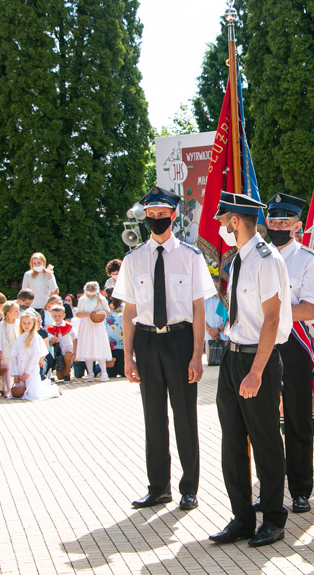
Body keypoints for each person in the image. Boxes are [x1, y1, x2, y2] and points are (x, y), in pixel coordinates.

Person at [113, 186, 213, 513]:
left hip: (180, 340)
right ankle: (158, 488)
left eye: (162, 214)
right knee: (153, 418)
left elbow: (199, 309)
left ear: (173, 214)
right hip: (146, 340)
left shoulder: (191, 256)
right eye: (151, 214)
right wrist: (127, 356)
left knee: (185, 417)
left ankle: (189, 488)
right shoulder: (133, 259)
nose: (156, 219)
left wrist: (198, 353)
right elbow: (129, 311)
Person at [208, 191, 292, 547]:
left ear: (235, 221)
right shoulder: (240, 258)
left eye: (223, 220)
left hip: (258, 359)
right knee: (232, 442)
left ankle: (273, 518)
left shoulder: (265, 258)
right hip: (232, 355)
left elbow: (272, 319)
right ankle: (242, 518)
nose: (220, 227)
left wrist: (256, 371)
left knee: (266, 441)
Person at [265, 192, 314, 514]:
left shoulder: (308, 259)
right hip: (259, 344)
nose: (276, 226)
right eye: (272, 220)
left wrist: (271, 313)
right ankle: (270, 488)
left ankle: (301, 488)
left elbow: (309, 309)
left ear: (297, 225)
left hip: (295, 345)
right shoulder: (256, 257)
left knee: (298, 420)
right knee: (264, 421)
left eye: (283, 221)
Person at [11, 308, 60, 401]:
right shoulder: (19, 338)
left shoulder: (35, 338)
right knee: (19, 391)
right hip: (20, 366)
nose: (26, 325)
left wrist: (27, 373)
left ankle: (52, 390)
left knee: (33, 394)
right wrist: (16, 373)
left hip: (31, 369)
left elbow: (34, 357)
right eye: (24, 323)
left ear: (33, 323)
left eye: (29, 323)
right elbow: (15, 357)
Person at [0, 302, 20, 398]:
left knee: (16, 368)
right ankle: (9, 389)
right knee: (7, 370)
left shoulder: (18, 323)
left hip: (16, 349)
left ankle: (17, 388)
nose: (18, 313)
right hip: (6, 350)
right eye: (16, 311)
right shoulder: (2, 324)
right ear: (8, 313)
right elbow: (0, 338)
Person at [47, 305, 75, 382]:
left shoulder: (69, 326)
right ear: (52, 316)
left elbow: (75, 338)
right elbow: (49, 343)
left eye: (59, 316)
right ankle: (63, 374)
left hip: (68, 349)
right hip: (58, 352)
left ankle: (67, 374)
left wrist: (75, 351)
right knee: (60, 377)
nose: (57, 318)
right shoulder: (50, 328)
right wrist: (52, 341)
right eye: (55, 316)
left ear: (64, 315)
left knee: (67, 357)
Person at [103, 290, 124, 378]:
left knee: (124, 373)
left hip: (122, 344)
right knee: (111, 374)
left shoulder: (124, 307)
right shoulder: (104, 309)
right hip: (109, 345)